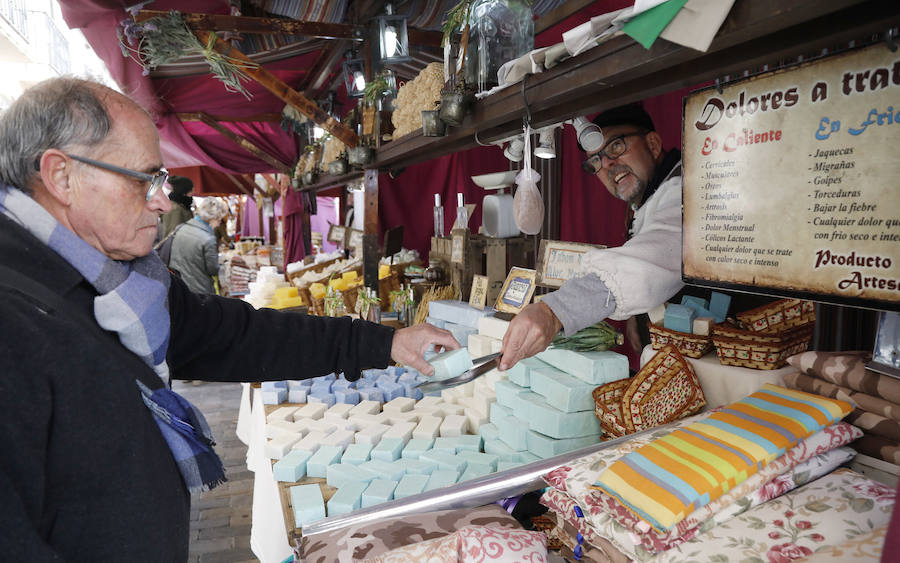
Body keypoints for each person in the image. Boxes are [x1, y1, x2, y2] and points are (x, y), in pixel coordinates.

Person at [0, 77, 458, 561]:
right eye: (144, 178)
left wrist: (384, 344)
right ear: (61, 176)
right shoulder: (16, 322)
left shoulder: (123, 282)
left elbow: (242, 336)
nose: (162, 200)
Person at [499, 103, 683, 371]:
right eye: (596, 160)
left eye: (616, 147)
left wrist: (554, 312)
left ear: (653, 144)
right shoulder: (649, 197)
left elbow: (659, 253)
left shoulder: (684, 192)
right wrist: (636, 314)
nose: (607, 164)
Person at [169, 197, 228, 295]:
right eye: (219, 220)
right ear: (212, 218)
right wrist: (222, 264)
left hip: (179, 285)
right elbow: (213, 269)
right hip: (200, 289)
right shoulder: (208, 239)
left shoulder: (181, 228)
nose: (219, 224)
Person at [158, 174, 194, 240]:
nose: (193, 193)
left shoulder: (183, 206)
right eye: (190, 190)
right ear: (183, 191)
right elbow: (172, 234)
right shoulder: (175, 209)